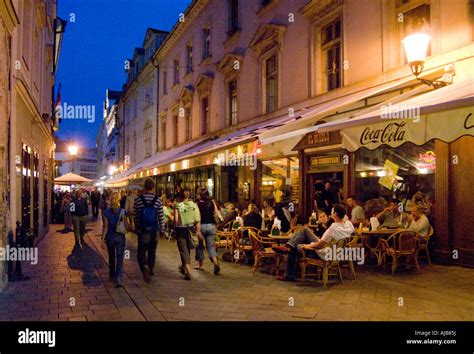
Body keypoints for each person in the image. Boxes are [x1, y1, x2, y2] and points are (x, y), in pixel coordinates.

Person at [274, 204, 354, 281]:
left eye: (332, 211)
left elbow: (320, 246)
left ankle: (289, 272)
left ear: (335, 214)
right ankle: (289, 248)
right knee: (304, 232)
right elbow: (352, 231)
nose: (330, 213)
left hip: (324, 253)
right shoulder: (348, 224)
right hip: (334, 252)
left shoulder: (333, 228)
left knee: (297, 246)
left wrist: (307, 246)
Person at [133, 179, 165, 283]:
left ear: (144, 187)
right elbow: (161, 216)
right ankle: (151, 269)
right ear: (153, 187)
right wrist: (162, 229)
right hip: (154, 230)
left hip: (143, 230)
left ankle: (144, 267)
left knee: (141, 252)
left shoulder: (138, 200)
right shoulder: (158, 200)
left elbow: (136, 215)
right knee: (152, 251)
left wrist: (137, 227)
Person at [102, 192, 129, 287]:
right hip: (120, 237)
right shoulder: (123, 211)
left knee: (112, 256)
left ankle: (112, 274)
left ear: (110, 199)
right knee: (120, 257)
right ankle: (119, 278)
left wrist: (102, 240)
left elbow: (105, 227)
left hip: (110, 237)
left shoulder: (106, 212)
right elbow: (126, 225)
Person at [174, 189, 201, 280]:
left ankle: (188, 270)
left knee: (183, 249)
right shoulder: (194, 205)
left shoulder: (178, 205)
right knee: (188, 248)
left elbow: (176, 220)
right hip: (191, 228)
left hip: (180, 229)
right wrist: (198, 230)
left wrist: (174, 225)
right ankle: (184, 266)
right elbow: (198, 218)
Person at [195, 189, 220, 274]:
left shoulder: (197, 204)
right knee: (211, 247)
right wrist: (216, 225)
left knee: (199, 246)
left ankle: (200, 265)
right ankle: (215, 261)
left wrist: (197, 230)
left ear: (200, 195)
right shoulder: (212, 203)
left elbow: (197, 217)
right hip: (211, 226)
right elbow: (216, 214)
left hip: (201, 226)